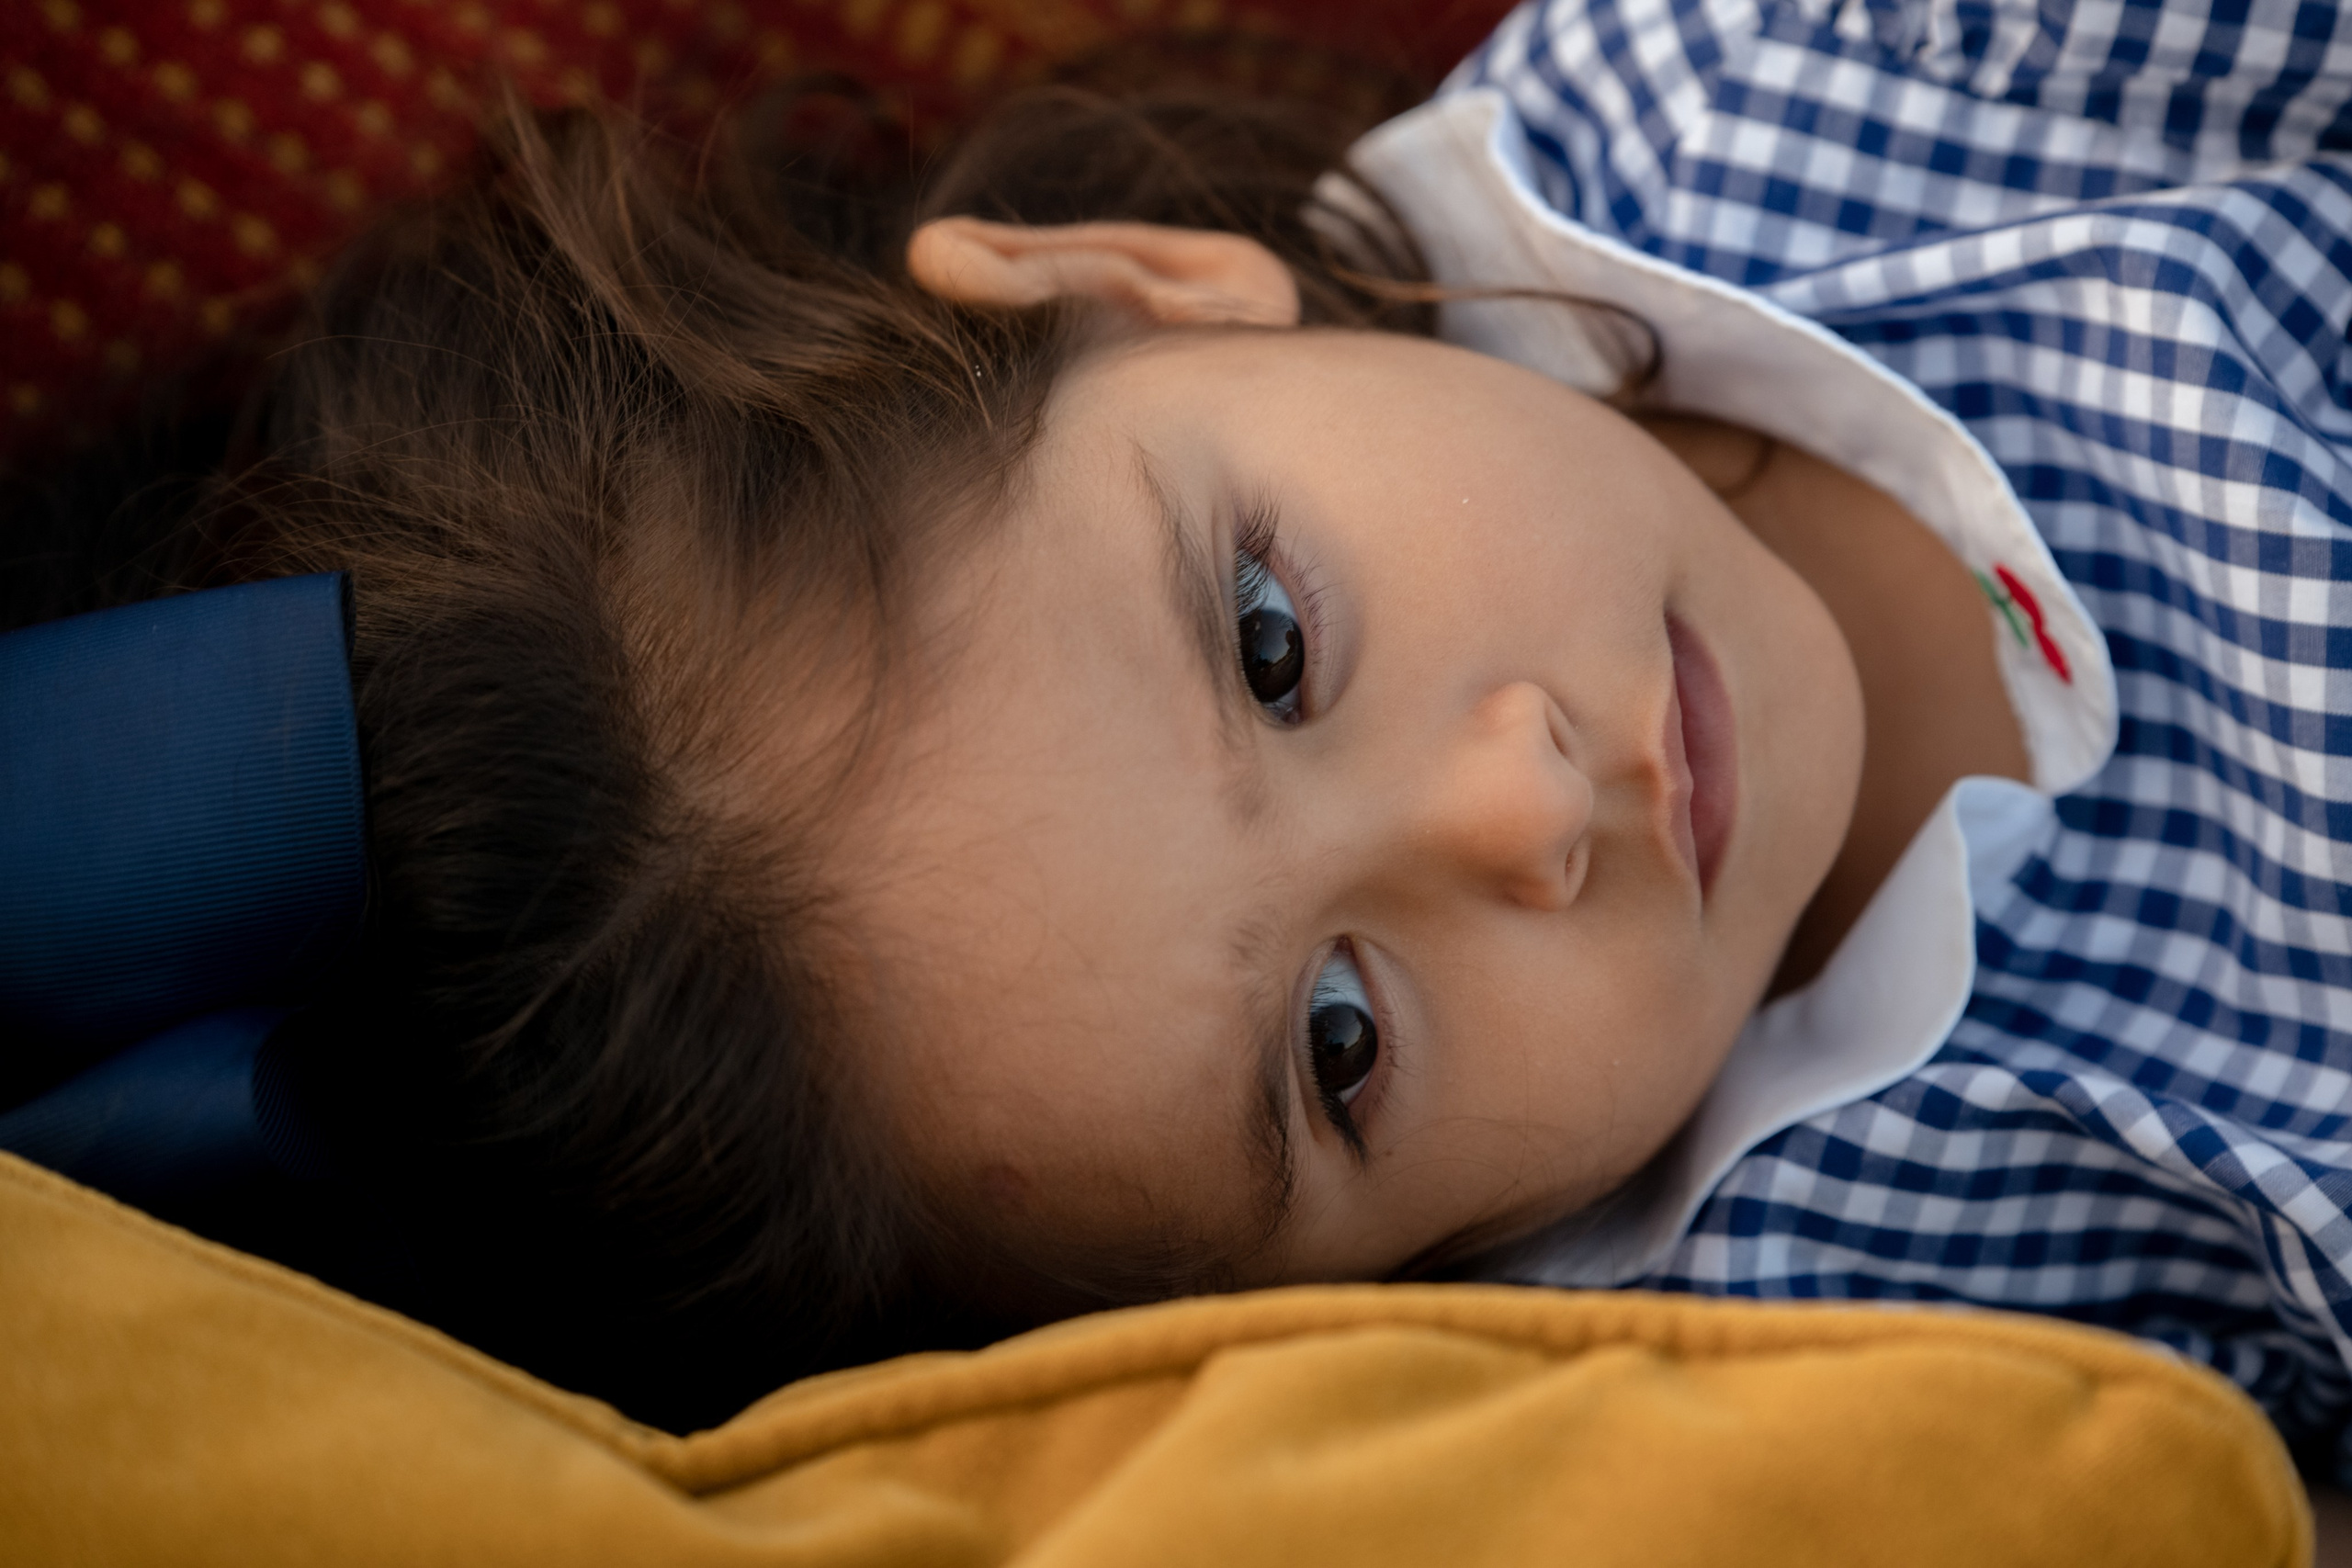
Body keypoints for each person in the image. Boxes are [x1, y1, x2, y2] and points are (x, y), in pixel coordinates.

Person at [14, 0, 2352, 1487]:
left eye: (1267, 636)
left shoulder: (1805, 72)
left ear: (1129, 284)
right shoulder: (1799, 1358)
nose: (1533, 804)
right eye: (1339, 1042)